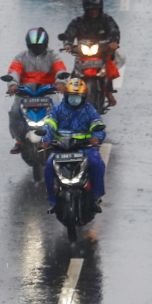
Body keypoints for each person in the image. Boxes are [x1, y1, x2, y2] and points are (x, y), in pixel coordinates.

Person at [42, 77, 106, 214]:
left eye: (78, 97)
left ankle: (96, 196)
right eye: (72, 96)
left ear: (84, 97)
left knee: (96, 163)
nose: (74, 99)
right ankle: (52, 201)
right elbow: (50, 124)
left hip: (84, 147)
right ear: (66, 96)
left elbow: (97, 124)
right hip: (61, 147)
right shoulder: (58, 109)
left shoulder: (89, 110)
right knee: (48, 166)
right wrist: (46, 139)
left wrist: (96, 138)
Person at [4, 27, 68, 154]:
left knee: (58, 111)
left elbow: (60, 69)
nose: (37, 49)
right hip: (25, 93)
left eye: (39, 46)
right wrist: (12, 85)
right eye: (34, 46)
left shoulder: (53, 56)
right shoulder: (21, 57)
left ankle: (60, 137)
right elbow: (14, 72)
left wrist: (61, 83)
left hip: (48, 92)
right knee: (15, 112)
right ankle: (19, 140)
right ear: (28, 45)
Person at [60, 0, 121, 107]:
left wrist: (114, 42)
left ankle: (109, 94)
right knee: (74, 76)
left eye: (96, 9)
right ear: (86, 9)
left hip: (102, 53)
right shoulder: (78, 21)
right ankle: (68, 99)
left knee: (109, 70)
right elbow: (69, 33)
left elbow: (114, 31)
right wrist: (67, 43)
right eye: (91, 9)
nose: (93, 12)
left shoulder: (107, 20)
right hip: (83, 55)